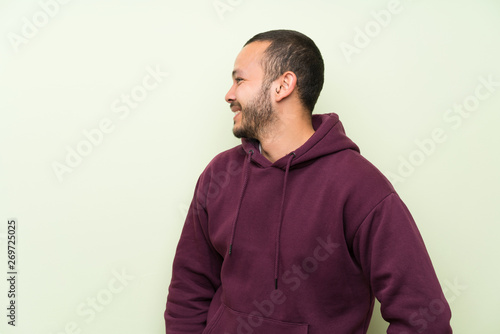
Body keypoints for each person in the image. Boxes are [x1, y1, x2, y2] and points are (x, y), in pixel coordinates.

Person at [164, 29, 452, 333]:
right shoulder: (220, 174)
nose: (229, 94)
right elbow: (189, 287)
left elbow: (424, 318)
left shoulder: (359, 186)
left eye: (240, 80)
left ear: (283, 85)